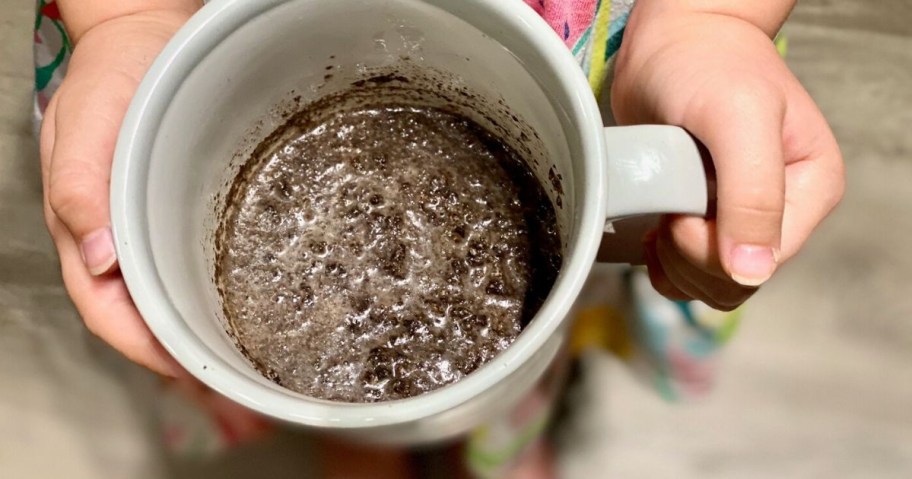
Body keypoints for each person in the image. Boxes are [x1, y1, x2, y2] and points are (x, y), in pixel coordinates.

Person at [34, 0, 844, 477]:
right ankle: (363, 442)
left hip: (598, 53)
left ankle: (483, 431)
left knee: (515, 381)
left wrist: (711, 21)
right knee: (356, 423)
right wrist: (129, 18)